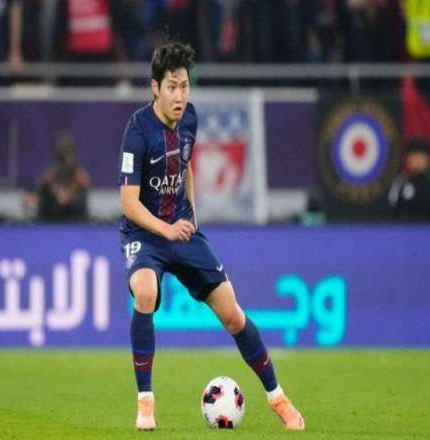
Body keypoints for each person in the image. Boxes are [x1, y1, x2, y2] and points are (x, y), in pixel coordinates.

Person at [117, 40, 305, 431]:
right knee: (146, 292)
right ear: (155, 88)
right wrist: (166, 229)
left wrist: (192, 213)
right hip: (145, 233)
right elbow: (129, 204)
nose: (179, 96)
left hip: (182, 231)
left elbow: (185, 165)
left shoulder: (190, 119)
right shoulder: (137, 130)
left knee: (233, 315)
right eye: (172, 87)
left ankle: (278, 398)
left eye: (184, 86)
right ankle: (145, 404)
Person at [26, 131, 90, 222]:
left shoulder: (80, 176)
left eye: (67, 153)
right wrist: (33, 197)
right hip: (51, 218)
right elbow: (37, 193)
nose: (64, 159)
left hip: (75, 218)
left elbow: (66, 198)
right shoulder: (50, 175)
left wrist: (67, 193)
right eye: (61, 154)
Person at [389, 137, 430, 222]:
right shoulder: (400, 183)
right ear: (408, 160)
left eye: (421, 158)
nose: (418, 161)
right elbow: (393, 213)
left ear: (429, 160)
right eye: (414, 157)